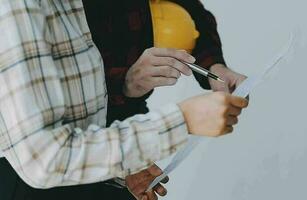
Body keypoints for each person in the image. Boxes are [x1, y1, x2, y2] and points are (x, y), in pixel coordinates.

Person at [0, 1, 248, 200]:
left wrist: (118, 166)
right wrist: (182, 120)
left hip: (109, 146)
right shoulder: (18, 8)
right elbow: (45, 159)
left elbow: (77, 94)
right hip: (32, 181)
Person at [82, 0, 248, 199]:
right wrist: (122, 82)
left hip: (131, 123)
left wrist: (215, 66)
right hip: (74, 134)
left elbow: (194, 14)